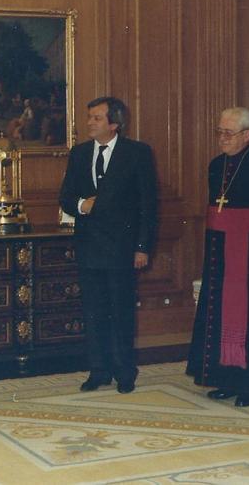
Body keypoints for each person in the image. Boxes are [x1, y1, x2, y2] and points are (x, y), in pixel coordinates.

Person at [186, 107, 249, 407]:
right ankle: (225, 378)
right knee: (218, 312)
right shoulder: (216, 166)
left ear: (247, 134)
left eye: (228, 133)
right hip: (219, 253)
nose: (222, 138)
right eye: (219, 132)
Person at [58, 96, 157, 394]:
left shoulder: (137, 153)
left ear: (114, 124)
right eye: (89, 117)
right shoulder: (79, 154)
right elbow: (65, 197)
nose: (90, 122)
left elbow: (148, 205)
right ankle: (98, 371)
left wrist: (142, 247)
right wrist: (82, 205)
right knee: (94, 312)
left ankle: (125, 371)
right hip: (89, 248)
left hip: (122, 250)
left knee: (121, 312)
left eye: (97, 118)